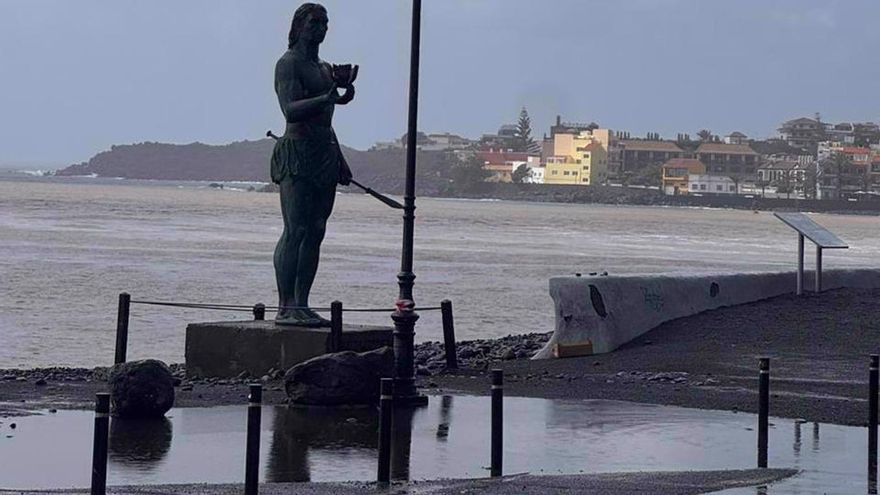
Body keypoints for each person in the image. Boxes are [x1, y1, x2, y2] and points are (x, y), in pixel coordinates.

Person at [272, 3, 354, 326]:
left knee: (317, 229)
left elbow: (326, 120)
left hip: (324, 152)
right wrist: (327, 98)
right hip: (297, 151)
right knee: (296, 229)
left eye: (324, 23)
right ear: (299, 26)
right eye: (314, 22)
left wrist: (341, 158)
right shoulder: (288, 64)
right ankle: (286, 305)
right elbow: (290, 110)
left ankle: (302, 302)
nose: (320, 28)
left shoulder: (323, 68)